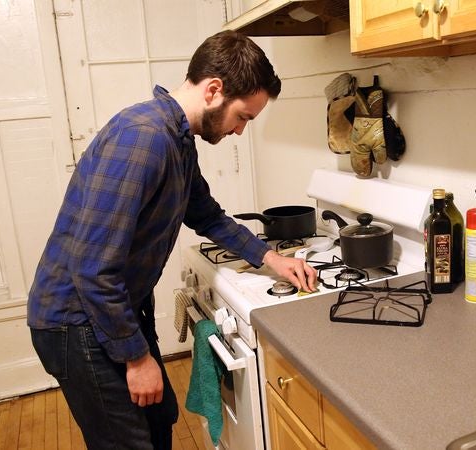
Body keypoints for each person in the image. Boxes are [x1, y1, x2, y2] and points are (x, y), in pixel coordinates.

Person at [27, 30, 317, 450]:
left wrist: (271, 259)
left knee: (159, 422)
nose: (239, 131)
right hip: (78, 322)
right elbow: (92, 268)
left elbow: (207, 216)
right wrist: (135, 356)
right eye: (243, 117)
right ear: (215, 89)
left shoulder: (177, 139)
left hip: (112, 310)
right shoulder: (143, 139)